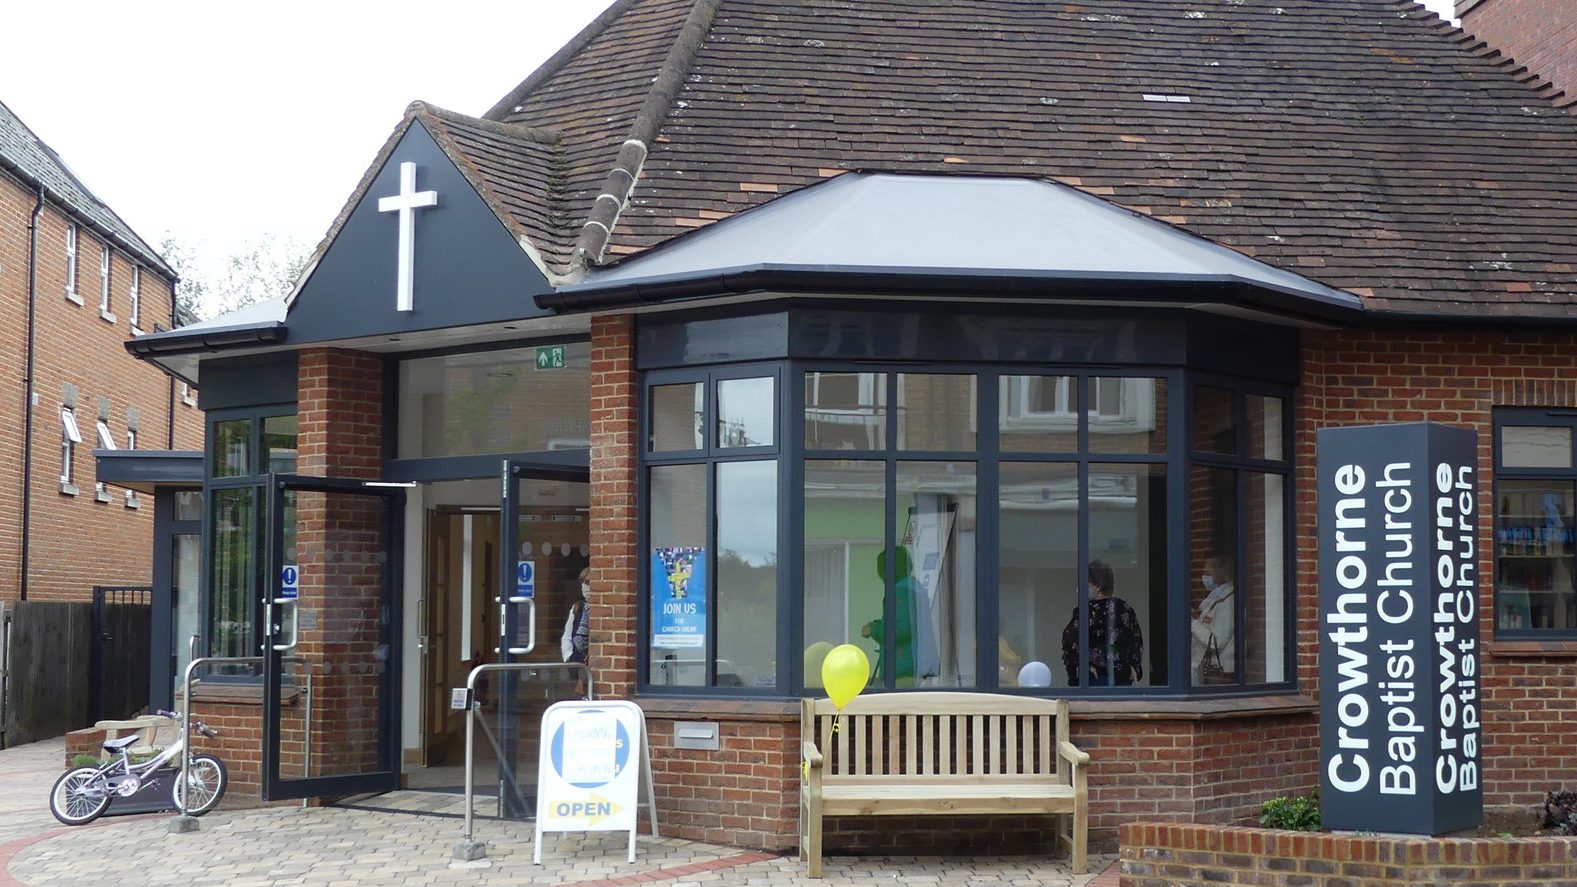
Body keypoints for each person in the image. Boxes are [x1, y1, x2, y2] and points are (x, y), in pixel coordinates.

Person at [1060, 560, 1144, 686]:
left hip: (1096, 678)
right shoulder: (1124, 609)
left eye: (1086, 582)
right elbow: (1135, 640)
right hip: (1122, 676)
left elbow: (1069, 639)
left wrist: (1083, 667)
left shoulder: (1088, 611)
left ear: (1098, 586)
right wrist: (1134, 666)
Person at [1190, 555, 1236, 684]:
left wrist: (1193, 622)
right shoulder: (1216, 596)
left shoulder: (1228, 601)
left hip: (1220, 671)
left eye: (1207, 573)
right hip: (1209, 668)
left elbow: (1216, 642)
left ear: (1219, 571)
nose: (1204, 577)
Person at [561, 567, 591, 666]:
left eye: (587, 582)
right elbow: (567, 637)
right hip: (576, 663)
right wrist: (568, 657)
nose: (584, 586)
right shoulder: (578, 607)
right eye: (582, 582)